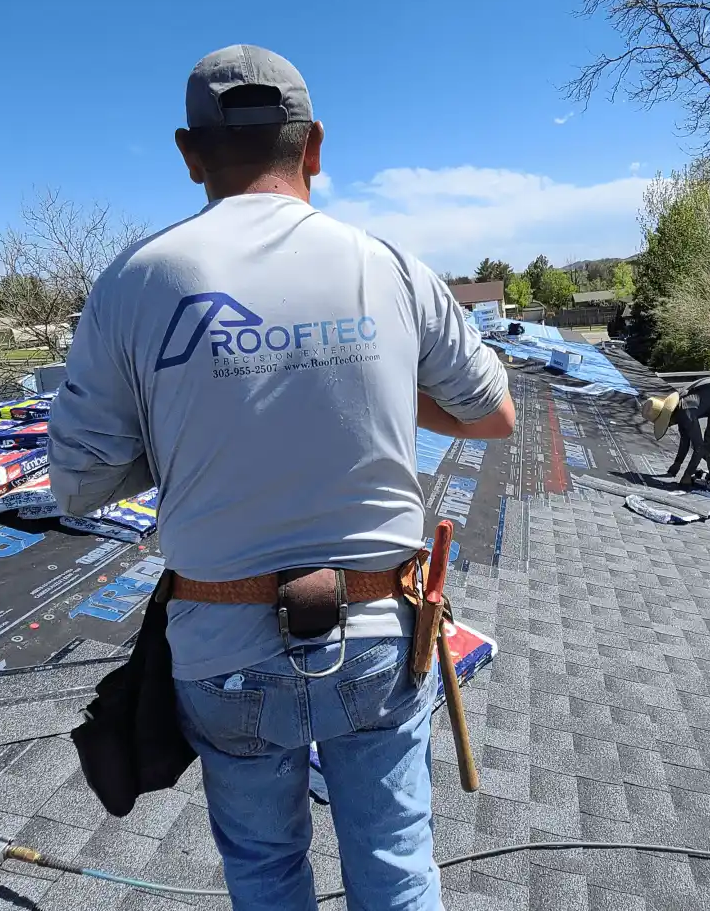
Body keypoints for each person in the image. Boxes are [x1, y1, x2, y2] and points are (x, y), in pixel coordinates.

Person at [48, 44, 516, 911]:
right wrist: (371, 385)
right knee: (397, 870)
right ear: (315, 145)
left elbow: (76, 483)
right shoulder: (387, 265)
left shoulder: (134, 281)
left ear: (190, 154)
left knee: (265, 876)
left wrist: (191, 416)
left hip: (224, 651)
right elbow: (495, 415)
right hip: (379, 637)